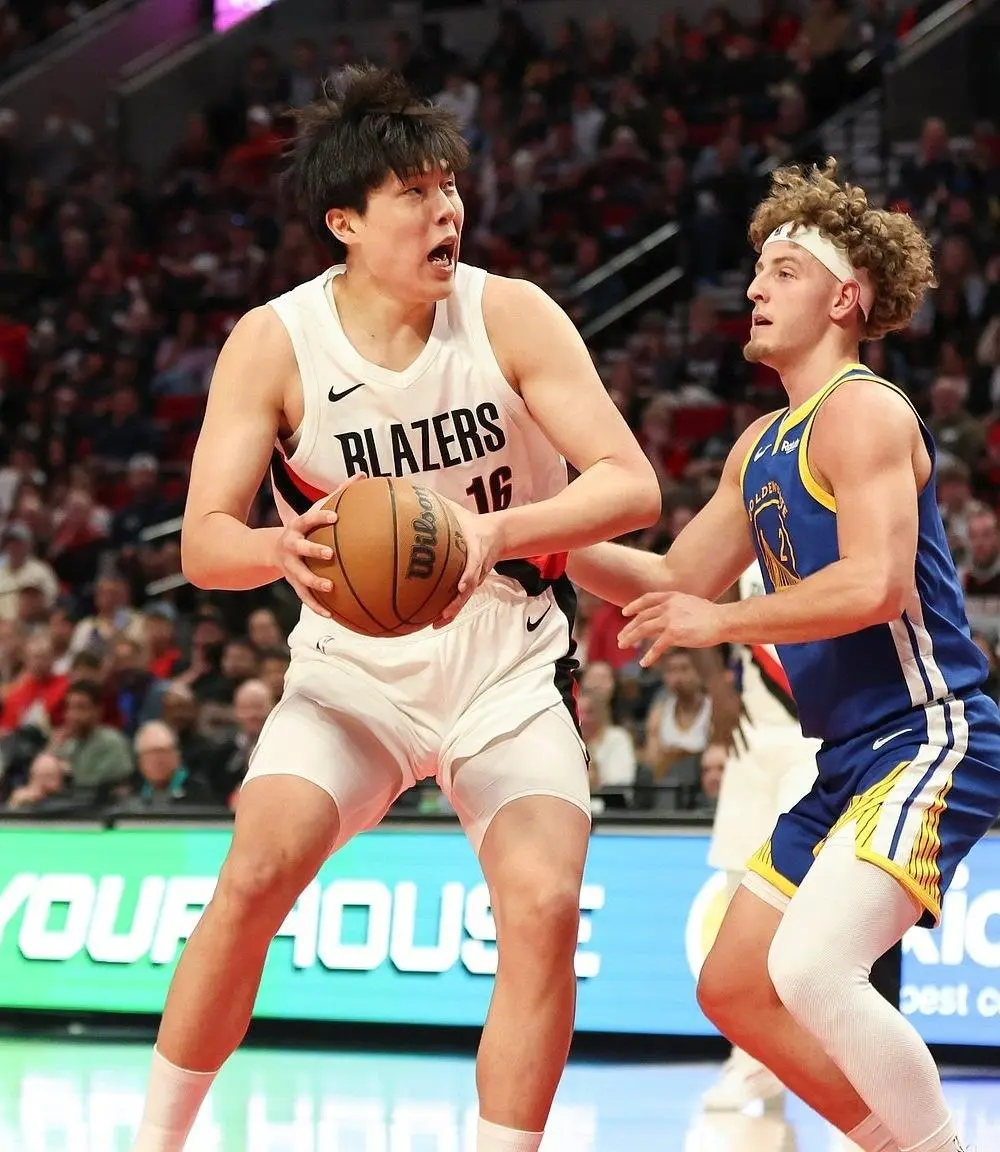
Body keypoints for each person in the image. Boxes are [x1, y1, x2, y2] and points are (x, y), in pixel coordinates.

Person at [129, 66, 659, 1152]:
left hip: (507, 663)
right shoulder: (275, 341)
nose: (445, 210)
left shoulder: (509, 314)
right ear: (345, 222)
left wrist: (493, 533)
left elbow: (631, 484)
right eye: (413, 193)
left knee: (545, 906)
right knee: (255, 872)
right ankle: (155, 1144)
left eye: (448, 187)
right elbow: (202, 544)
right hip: (352, 670)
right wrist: (277, 547)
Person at [569, 160, 996, 1152]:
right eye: (757, 271)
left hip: (931, 734)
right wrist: (525, 538)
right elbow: (672, 574)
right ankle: (892, 1143)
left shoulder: (866, 410)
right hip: (846, 760)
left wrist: (718, 623)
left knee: (809, 968)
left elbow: (874, 584)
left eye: (785, 271)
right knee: (733, 985)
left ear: (844, 299)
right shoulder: (761, 441)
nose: (756, 287)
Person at [699, 562, 820, 1113]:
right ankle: (750, 1058)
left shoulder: (836, 528)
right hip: (753, 736)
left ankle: (804, 1054)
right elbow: (691, 588)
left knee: (795, 902)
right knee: (737, 891)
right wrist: (716, 687)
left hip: (815, 735)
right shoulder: (743, 530)